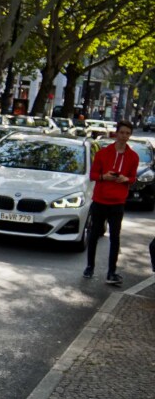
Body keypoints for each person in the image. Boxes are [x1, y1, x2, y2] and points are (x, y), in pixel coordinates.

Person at [84, 120, 139, 286]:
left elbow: (133, 178)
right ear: (116, 133)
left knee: (115, 237)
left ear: (130, 135)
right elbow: (93, 175)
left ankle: (111, 271)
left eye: (127, 133)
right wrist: (104, 177)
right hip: (100, 200)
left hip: (117, 203)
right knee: (93, 235)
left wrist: (125, 179)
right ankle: (89, 267)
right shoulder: (103, 153)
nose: (124, 136)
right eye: (122, 133)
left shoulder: (133, 157)